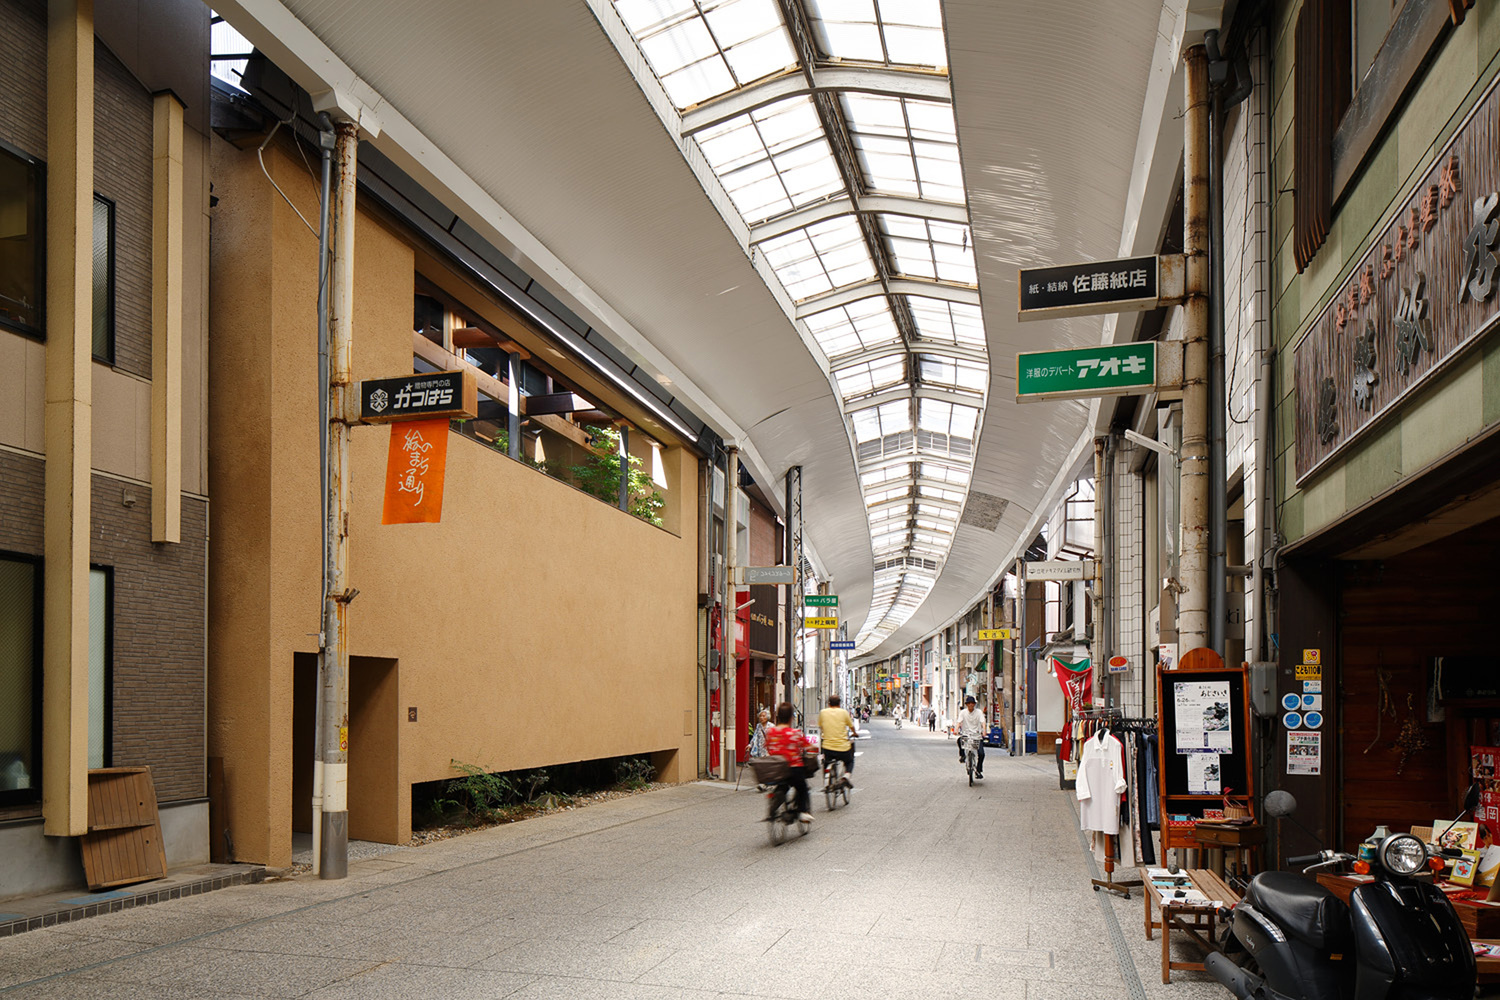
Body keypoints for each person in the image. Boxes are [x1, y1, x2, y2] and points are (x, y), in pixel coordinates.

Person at [765, 702, 814, 823]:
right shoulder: (795, 733)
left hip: (776, 769)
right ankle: (802, 812)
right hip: (793, 769)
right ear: (791, 717)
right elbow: (808, 747)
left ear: (778, 716)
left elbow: (768, 747)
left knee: (783, 785)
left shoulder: (771, 732)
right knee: (802, 788)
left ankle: (776, 805)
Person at [817, 694, 859, 790]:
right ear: (839, 704)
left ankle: (826, 783)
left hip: (827, 747)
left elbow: (821, 726)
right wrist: (854, 733)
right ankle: (846, 777)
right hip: (843, 748)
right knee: (850, 761)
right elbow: (851, 726)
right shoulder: (844, 713)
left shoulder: (823, 712)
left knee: (826, 762)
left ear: (829, 704)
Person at [956, 695, 986, 778]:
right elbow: (959, 722)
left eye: (972, 703)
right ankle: (962, 756)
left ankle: (979, 770)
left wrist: (984, 731)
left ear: (974, 704)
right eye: (968, 703)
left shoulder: (979, 712)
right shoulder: (963, 712)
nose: (970, 705)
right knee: (959, 740)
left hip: (977, 736)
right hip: (966, 734)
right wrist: (956, 729)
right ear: (966, 704)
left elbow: (983, 722)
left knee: (981, 754)